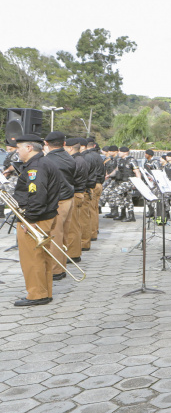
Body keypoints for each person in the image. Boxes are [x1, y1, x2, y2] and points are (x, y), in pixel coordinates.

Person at [10, 134, 63, 306]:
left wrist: (30, 219)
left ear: (29, 148)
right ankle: (44, 292)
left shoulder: (36, 167)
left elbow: (37, 195)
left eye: (19, 148)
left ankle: (36, 294)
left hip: (36, 218)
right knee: (42, 257)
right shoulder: (43, 162)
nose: (17, 152)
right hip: (43, 216)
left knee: (32, 258)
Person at [42, 131, 76, 280]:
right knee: (63, 235)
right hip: (68, 198)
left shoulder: (47, 160)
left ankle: (56, 270)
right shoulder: (69, 157)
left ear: (46, 143)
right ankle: (61, 267)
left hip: (57, 201)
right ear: (64, 143)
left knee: (55, 236)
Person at [63, 138, 88, 262]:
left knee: (72, 226)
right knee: (75, 224)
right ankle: (74, 252)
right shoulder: (79, 159)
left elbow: (71, 178)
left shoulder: (75, 161)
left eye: (65, 148)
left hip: (75, 193)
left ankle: (73, 254)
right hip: (78, 192)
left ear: (70, 148)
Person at [82, 138, 104, 244]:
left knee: (90, 211)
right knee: (94, 209)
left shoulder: (88, 156)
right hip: (99, 183)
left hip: (93, 185)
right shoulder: (97, 155)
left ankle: (91, 233)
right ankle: (94, 231)